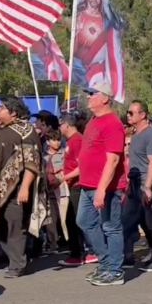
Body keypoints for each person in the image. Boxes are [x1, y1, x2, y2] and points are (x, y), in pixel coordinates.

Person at [0, 96, 49, 278]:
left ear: (13, 112)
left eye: (1, 108)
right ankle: (10, 256)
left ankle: (18, 264)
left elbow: (32, 163)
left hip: (16, 189)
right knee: (1, 225)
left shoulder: (25, 132)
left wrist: (25, 187)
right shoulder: (3, 130)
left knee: (16, 227)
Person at [76, 82, 127, 286]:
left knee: (111, 227)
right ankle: (105, 263)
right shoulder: (93, 121)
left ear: (105, 98)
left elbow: (113, 159)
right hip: (88, 185)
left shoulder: (112, 124)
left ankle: (115, 271)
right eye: (88, 93)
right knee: (84, 222)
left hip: (107, 188)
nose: (88, 97)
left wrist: (101, 189)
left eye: (92, 94)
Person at [122, 101, 152, 271]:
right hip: (133, 182)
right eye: (128, 113)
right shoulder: (136, 134)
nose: (128, 115)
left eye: (131, 113)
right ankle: (128, 256)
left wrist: (147, 187)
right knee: (128, 219)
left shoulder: (150, 134)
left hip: (145, 181)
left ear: (142, 114)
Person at [58, 113, 97, 266]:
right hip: (73, 185)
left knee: (75, 220)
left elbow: (82, 166)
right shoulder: (71, 141)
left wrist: (62, 178)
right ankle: (79, 252)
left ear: (67, 125)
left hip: (79, 185)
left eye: (61, 124)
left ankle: (86, 252)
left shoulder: (77, 141)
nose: (59, 127)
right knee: (72, 220)